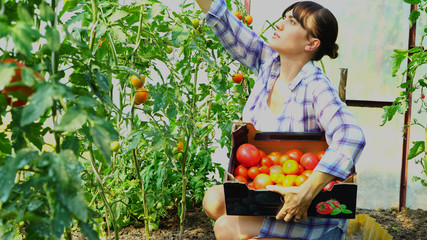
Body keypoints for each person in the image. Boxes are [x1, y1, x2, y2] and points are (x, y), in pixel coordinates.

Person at [195, 0, 366, 239]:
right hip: (274, 196)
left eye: (292, 21)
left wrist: (307, 190)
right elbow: (222, 18)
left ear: (311, 43)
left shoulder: (316, 86)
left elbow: (352, 136)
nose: (280, 24)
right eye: (284, 17)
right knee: (214, 201)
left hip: (312, 213)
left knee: (225, 228)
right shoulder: (269, 64)